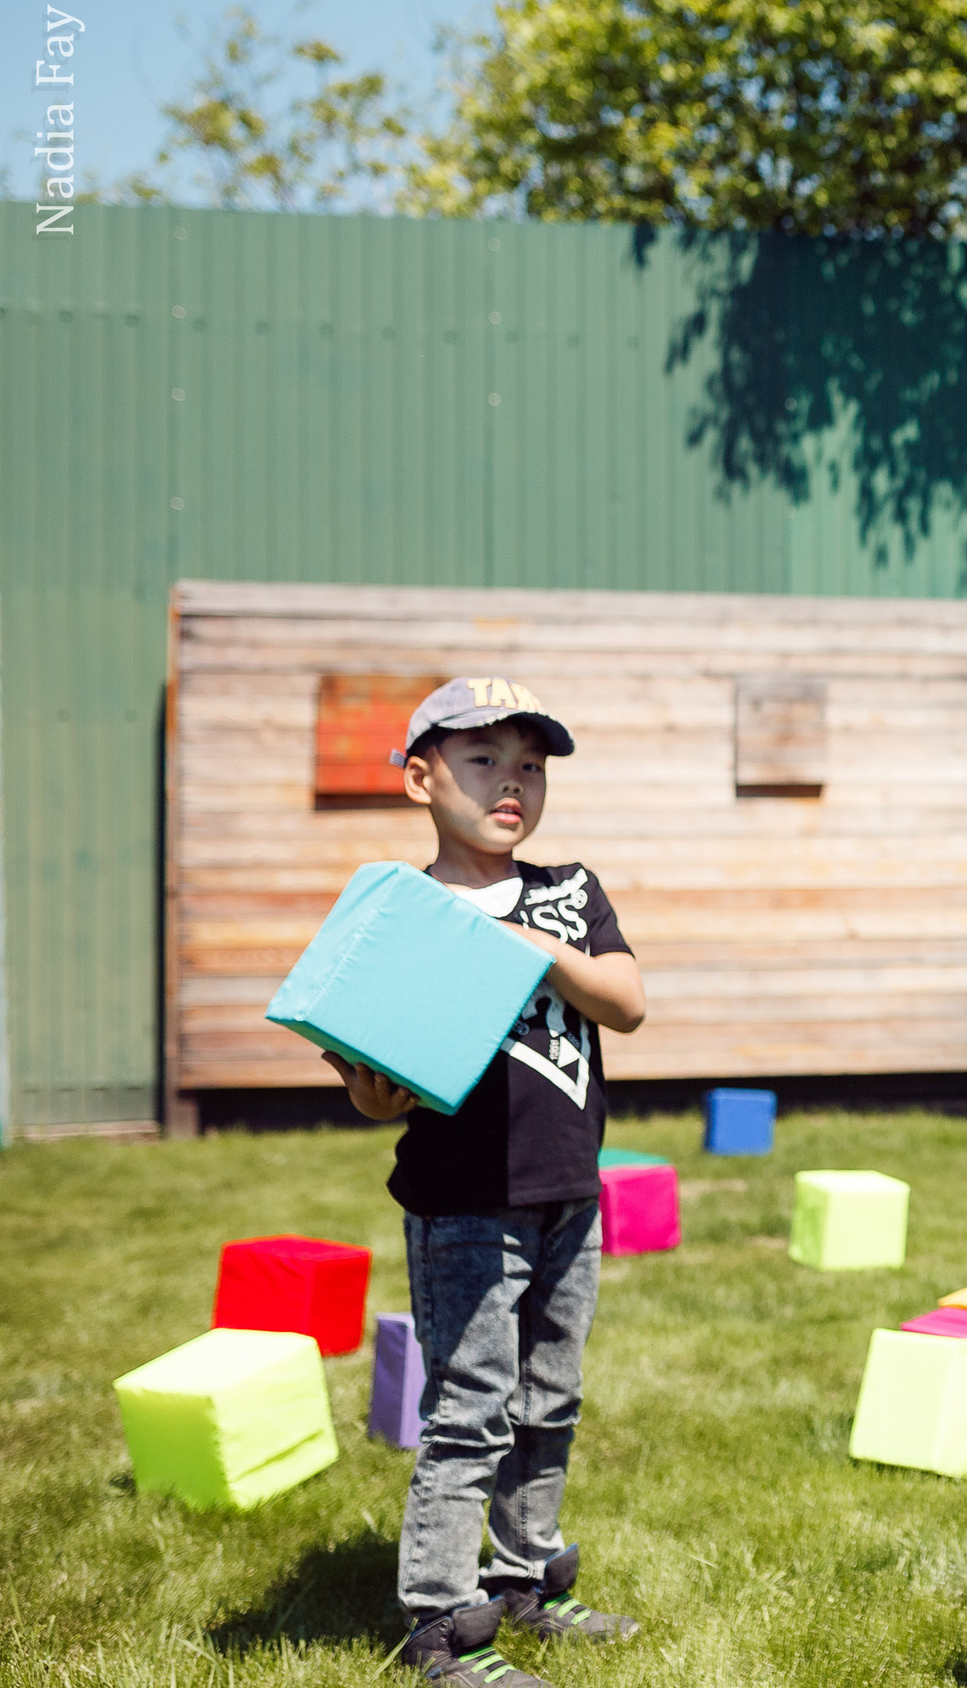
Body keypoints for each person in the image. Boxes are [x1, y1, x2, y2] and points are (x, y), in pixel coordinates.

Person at [323, 676, 648, 1688]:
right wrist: (375, 1099)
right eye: (482, 761)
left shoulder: (568, 892)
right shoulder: (400, 915)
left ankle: (526, 1583)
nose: (511, 783)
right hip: (463, 1203)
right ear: (420, 777)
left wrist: (533, 946)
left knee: (550, 1400)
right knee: (471, 1410)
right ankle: (435, 1623)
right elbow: (371, 1088)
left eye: (531, 766)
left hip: (568, 1193)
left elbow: (627, 1003)